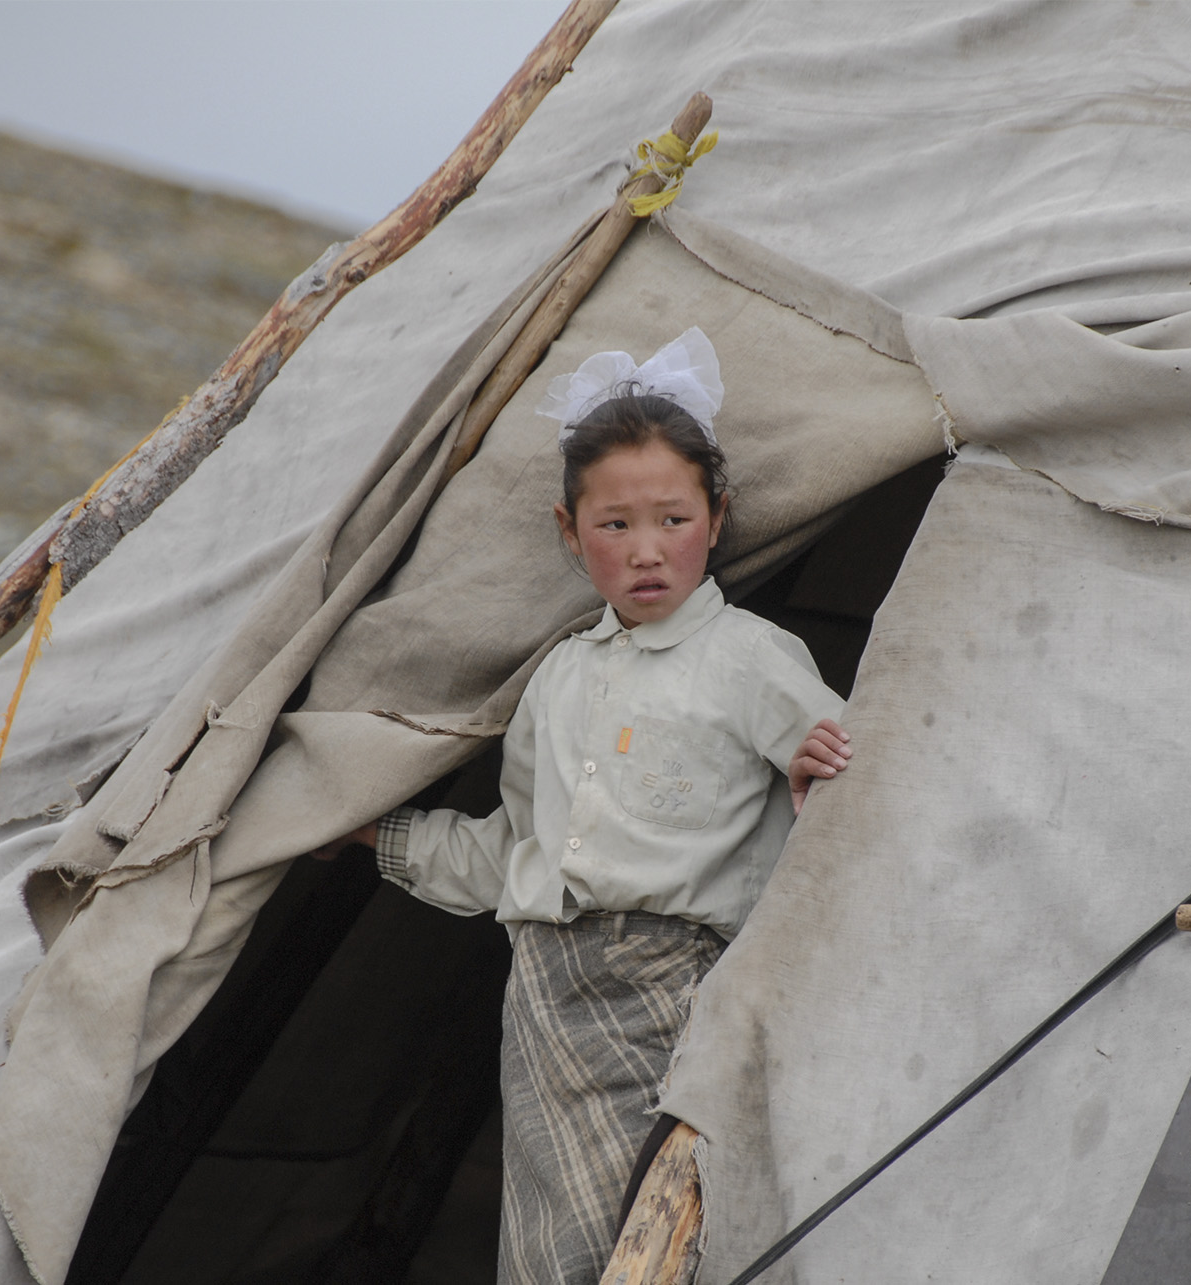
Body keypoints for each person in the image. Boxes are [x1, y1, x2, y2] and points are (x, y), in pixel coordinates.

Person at [312, 327, 850, 1284]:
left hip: (679, 997)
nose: (646, 551)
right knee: (551, 1254)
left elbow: (856, 795)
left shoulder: (752, 659)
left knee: (662, 1246)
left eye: (673, 519)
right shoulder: (557, 678)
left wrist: (823, 771)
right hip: (546, 1006)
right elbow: (514, 853)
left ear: (718, 517)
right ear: (570, 531)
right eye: (614, 525)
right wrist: (366, 829)